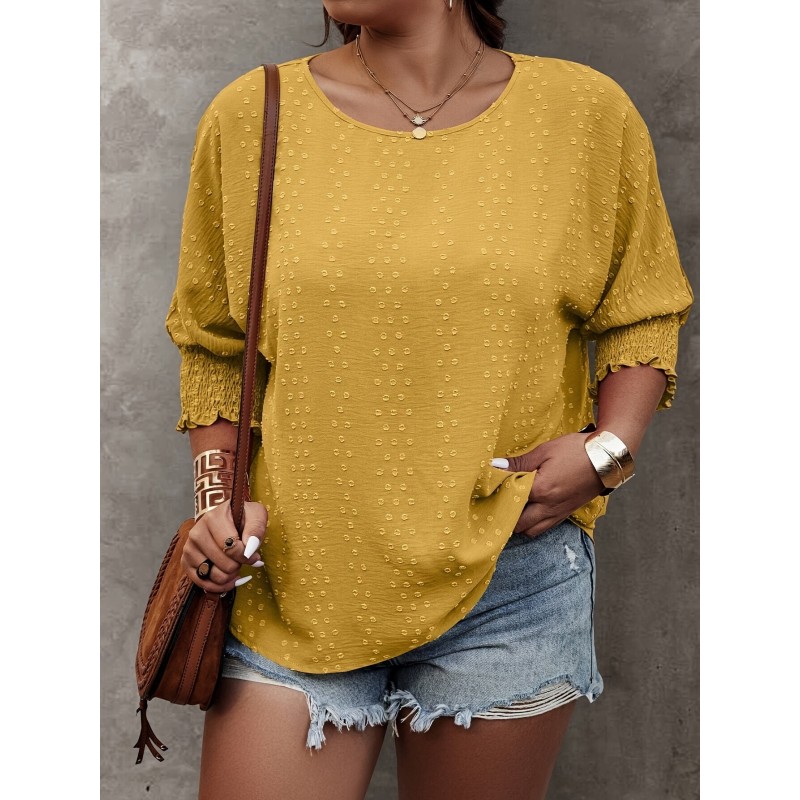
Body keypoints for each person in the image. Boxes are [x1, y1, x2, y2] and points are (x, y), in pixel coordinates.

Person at [164, 1, 694, 797]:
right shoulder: (253, 114)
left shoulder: (584, 113)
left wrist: (607, 452)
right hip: (293, 578)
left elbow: (641, 306)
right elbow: (214, 341)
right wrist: (217, 504)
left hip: (510, 579)